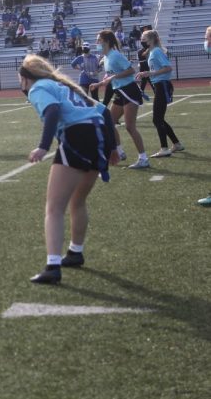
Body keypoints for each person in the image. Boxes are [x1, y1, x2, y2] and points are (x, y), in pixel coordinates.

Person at [18, 55, 118, 285]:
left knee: (54, 208)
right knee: (77, 200)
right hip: (98, 135)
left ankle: (53, 266)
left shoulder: (38, 88)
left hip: (78, 135)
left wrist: (43, 147)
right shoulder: (63, 84)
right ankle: (75, 252)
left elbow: (52, 111)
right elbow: (103, 111)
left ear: (26, 77)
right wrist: (112, 146)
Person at [88, 29, 150, 169]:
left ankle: (143, 158)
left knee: (130, 127)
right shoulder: (106, 57)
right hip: (119, 92)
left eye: (99, 40)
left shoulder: (115, 55)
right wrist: (99, 83)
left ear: (107, 42)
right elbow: (109, 76)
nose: (97, 43)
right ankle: (120, 152)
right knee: (108, 121)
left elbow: (130, 70)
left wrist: (113, 77)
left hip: (129, 91)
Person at [135, 29, 184, 158]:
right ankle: (177, 144)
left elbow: (168, 68)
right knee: (159, 118)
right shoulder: (152, 51)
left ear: (150, 40)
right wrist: (146, 73)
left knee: (157, 119)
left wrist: (150, 73)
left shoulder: (156, 51)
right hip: (160, 86)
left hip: (162, 86)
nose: (142, 41)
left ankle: (164, 148)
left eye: (143, 39)